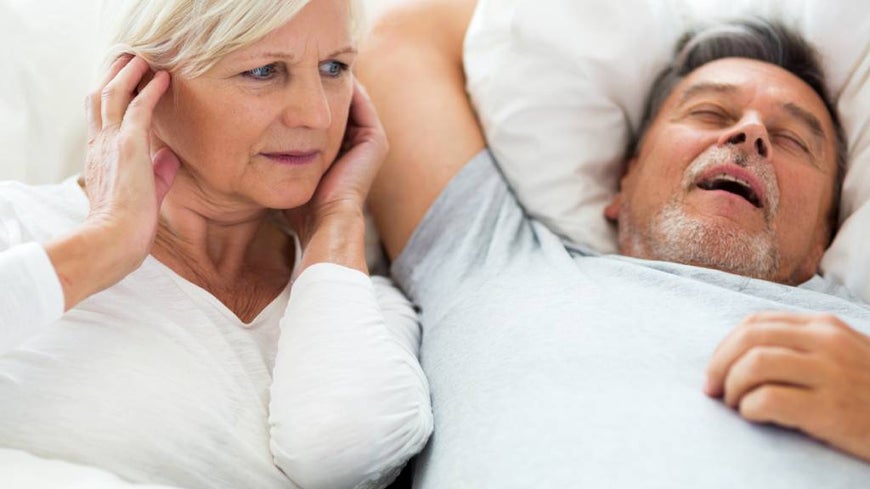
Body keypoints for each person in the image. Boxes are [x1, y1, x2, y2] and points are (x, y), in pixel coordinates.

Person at [357, 0, 870, 486]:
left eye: (793, 140)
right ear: (623, 181)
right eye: (709, 113)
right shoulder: (491, 255)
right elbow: (399, 37)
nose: (751, 133)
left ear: (825, 234)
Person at [0, 1, 432, 488]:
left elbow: (340, 458)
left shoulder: (356, 299)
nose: (318, 113)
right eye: (264, 71)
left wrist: (337, 218)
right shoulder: (18, 225)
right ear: (141, 85)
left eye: (334, 68)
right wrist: (107, 242)